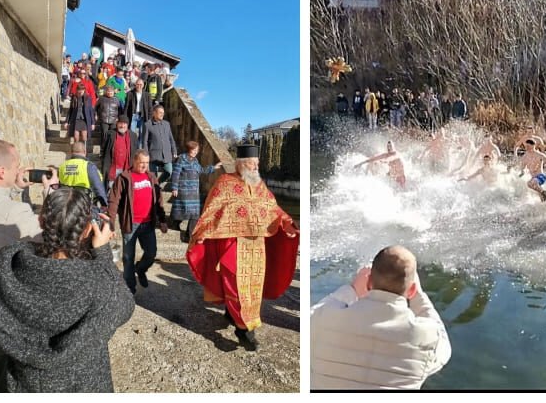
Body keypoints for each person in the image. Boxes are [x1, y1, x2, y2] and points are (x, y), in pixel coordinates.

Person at [0, 188, 134, 392]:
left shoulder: (7, 265)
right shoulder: (99, 282)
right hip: (82, 383)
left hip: (21, 383)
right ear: (89, 229)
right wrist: (102, 253)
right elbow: (124, 305)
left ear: (41, 222)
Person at [186, 144, 299, 351]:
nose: (256, 167)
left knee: (253, 289)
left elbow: (273, 208)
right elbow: (211, 210)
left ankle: (232, 314)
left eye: (257, 163)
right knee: (236, 288)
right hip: (232, 246)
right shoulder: (224, 183)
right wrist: (202, 232)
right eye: (252, 163)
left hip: (257, 247)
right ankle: (245, 330)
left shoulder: (259, 185)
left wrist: (286, 223)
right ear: (240, 164)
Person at [311, 245, 452, 389]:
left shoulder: (327, 318)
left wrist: (352, 290)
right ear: (412, 290)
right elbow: (444, 349)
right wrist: (418, 296)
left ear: (369, 281)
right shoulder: (427, 336)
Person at [0, 139, 57, 392]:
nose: (20, 170)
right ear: (2, 172)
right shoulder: (14, 213)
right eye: (16, 166)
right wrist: (49, 192)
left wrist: (14, 190)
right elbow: (52, 238)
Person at [107, 150, 168, 294]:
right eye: (142, 162)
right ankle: (130, 288)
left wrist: (163, 220)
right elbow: (114, 201)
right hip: (130, 224)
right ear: (134, 161)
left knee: (151, 253)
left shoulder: (152, 177)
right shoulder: (123, 178)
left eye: (147, 163)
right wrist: (110, 224)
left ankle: (140, 269)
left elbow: (159, 200)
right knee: (128, 257)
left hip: (148, 224)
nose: (144, 166)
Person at [170, 141, 223, 243]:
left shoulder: (195, 161)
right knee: (181, 211)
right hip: (184, 190)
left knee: (195, 214)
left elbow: (201, 170)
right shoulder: (181, 159)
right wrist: (174, 187)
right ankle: (175, 224)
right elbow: (176, 174)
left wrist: (214, 167)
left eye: (196, 150)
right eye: (193, 150)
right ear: (188, 149)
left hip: (194, 192)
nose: (195, 152)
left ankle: (189, 235)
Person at [58, 141, 108, 207]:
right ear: (85, 152)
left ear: (71, 152)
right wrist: (104, 203)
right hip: (83, 203)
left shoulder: (62, 166)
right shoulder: (89, 166)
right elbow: (98, 186)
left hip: (66, 203)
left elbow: (59, 185)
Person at [142, 105, 177, 188]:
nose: (162, 114)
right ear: (154, 113)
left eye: (163, 113)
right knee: (152, 176)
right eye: (160, 112)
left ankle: (157, 183)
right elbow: (145, 141)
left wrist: (174, 150)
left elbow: (171, 139)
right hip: (153, 155)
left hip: (166, 154)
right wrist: (146, 155)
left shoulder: (167, 124)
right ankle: (154, 191)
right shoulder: (147, 125)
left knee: (169, 172)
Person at [101, 115, 138, 191]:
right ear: (117, 124)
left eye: (125, 124)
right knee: (112, 189)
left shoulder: (133, 136)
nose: (122, 126)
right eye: (120, 123)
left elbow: (135, 151)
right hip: (113, 168)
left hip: (127, 168)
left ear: (128, 125)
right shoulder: (110, 134)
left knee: (125, 189)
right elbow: (104, 148)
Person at [64, 82, 95, 148]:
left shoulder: (88, 98)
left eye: (82, 89)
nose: (80, 91)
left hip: (84, 120)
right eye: (79, 89)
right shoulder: (74, 98)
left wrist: (93, 123)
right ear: (77, 90)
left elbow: (91, 111)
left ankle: (84, 153)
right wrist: (66, 122)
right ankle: (76, 152)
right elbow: (70, 111)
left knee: (84, 137)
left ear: (84, 90)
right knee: (76, 137)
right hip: (76, 120)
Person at [124, 78, 153, 147]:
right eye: (137, 84)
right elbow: (126, 106)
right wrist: (125, 117)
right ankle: (132, 147)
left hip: (142, 116)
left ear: (143, 85)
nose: (139, 86)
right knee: (132, 132)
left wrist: (149, 117)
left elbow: (150, 107)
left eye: (140, 84)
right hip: (133, 115)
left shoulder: (147, 95)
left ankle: (139, 148)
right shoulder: (130, 94)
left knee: (142, 133)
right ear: (135, 85)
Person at [95, 83, 120, 149]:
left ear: (113, 92)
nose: (110, 92)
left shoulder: (117, 99)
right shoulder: (101, 99)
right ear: (106, 91)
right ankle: (103, 149)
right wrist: (96, 115)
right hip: (104, 119)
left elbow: (120, 110)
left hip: (114, 120)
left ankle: (111, 149)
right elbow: (95, 108)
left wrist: (118, 118)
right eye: (108, 91)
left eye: (111, 91)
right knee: (104, 135)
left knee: (112, 135)